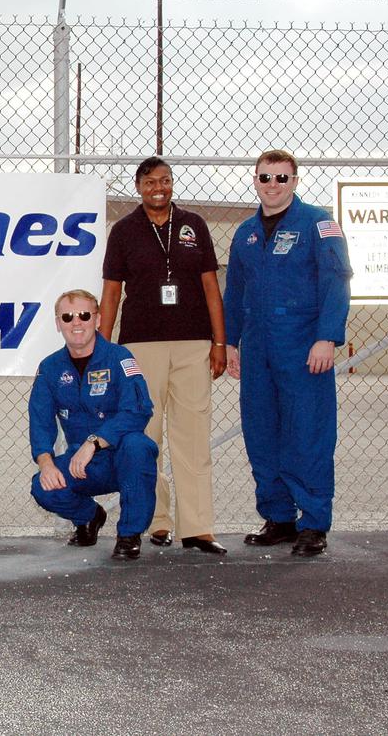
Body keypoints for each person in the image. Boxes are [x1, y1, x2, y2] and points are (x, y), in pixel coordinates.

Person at [225, 149, 352, 557]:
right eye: (265, 178)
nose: (273, 186)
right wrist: (229, 342)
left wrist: (326, 337)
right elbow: (235, 293)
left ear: (295, 181)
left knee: (307, 434)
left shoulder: (318, 223)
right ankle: (278, 517)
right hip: (257, 346)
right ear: (255, 180)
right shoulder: (245, 233)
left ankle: (313, 522)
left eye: (282, 178)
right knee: (261, 433)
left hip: (302, 346)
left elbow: (336, 282)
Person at [99, 156, 228, 555]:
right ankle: (155, 522)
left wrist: (219, 342)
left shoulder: (194, 225)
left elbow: (211, 287)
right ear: (138, 186)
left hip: (193, 344)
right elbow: (111, 293)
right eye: (152, 181)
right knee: (145, 438)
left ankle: (198, 529)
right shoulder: (123, 231)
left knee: (193, 439)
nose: (160, 187)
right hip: (140, 346)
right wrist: (104, 349)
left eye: (167, 180)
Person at [29, 290, 159, 561]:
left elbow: (139, 410)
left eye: (84, 315)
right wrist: (46, 463)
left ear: (97, 320)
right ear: (58, 323)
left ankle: (129, 535)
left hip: (121, 455)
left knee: (139, 445)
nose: (76, 323)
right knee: (43, 486)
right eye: (67, 317)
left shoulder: (119, 357)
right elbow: (40, 421)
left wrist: (95, 441)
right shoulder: (50, 368)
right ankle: (89, 517)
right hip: (83, 465)